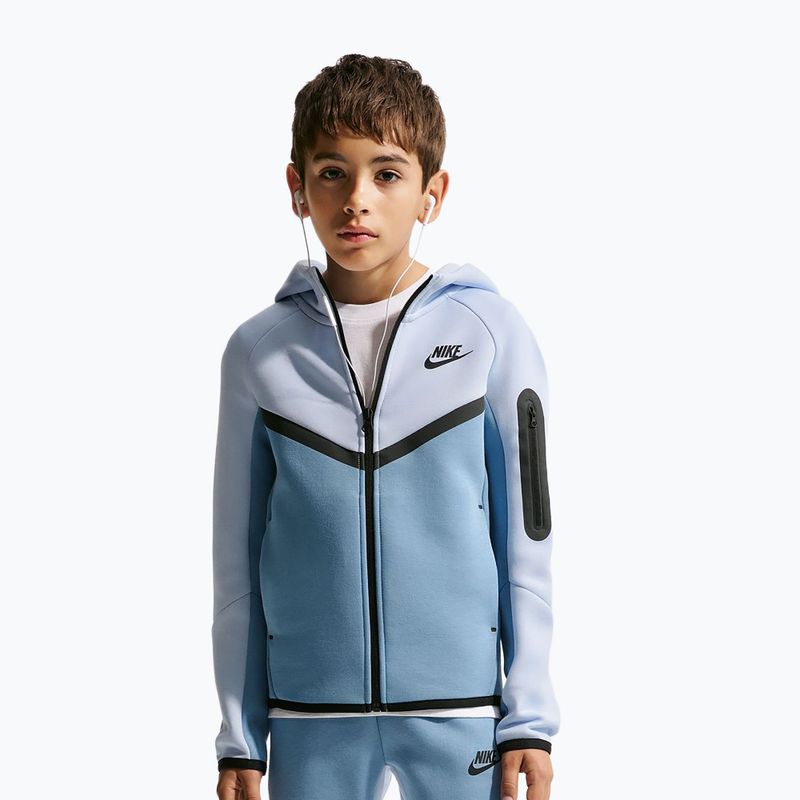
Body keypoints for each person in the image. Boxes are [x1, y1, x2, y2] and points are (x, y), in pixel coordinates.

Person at [212, 53, 560, 800]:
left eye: (387, 174)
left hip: (461, 714)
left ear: (432, 193)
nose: (356, 200)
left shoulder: (489, 334)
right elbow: (236, 560)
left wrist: (527, 720)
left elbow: (526, 541)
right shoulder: (259, 352)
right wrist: (241, 735)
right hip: (309, 718)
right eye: (332, 172)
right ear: (297, 187)